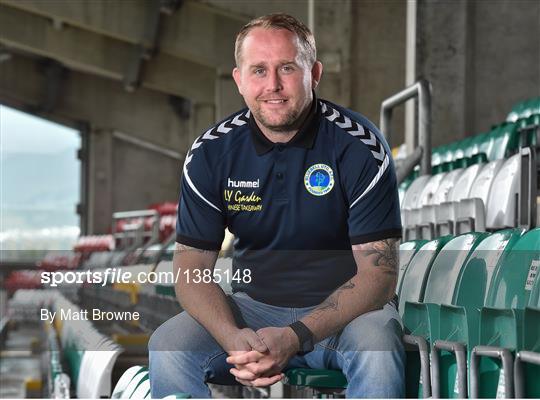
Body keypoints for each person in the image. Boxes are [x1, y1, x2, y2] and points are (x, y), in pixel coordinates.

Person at [149, 13, 404, 398]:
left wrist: (296, 335)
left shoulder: (359, 146)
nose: (273, 85)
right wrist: (233, 338)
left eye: (287, 68)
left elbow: (378, 276)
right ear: (238, 79)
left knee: (378, 343)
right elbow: (190, 269)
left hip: (343, 317)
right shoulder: (210, 153)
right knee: (169, 345)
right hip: (252, 311)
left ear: (314, 73)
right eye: (258, 71)